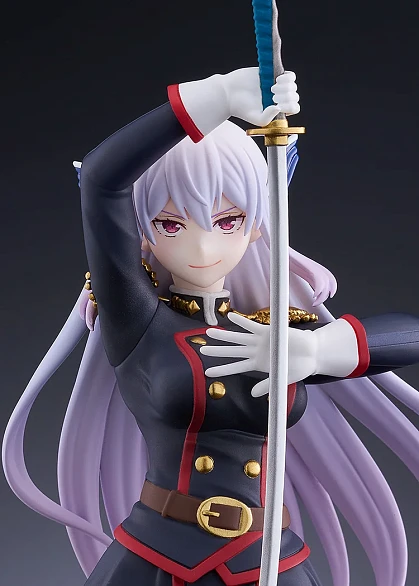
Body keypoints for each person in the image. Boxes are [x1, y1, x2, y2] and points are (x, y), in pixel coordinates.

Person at [3, 67, 419, 586]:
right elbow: (102, 179)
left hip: (266, 555)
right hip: (158, 551)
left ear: (256, 225)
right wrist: (217, 96)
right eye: (171, 224)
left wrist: (318, 352)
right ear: (143, 232)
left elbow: (409, 336)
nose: (202, 247)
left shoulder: (277, 331)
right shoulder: (137, 320)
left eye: (227, 221)